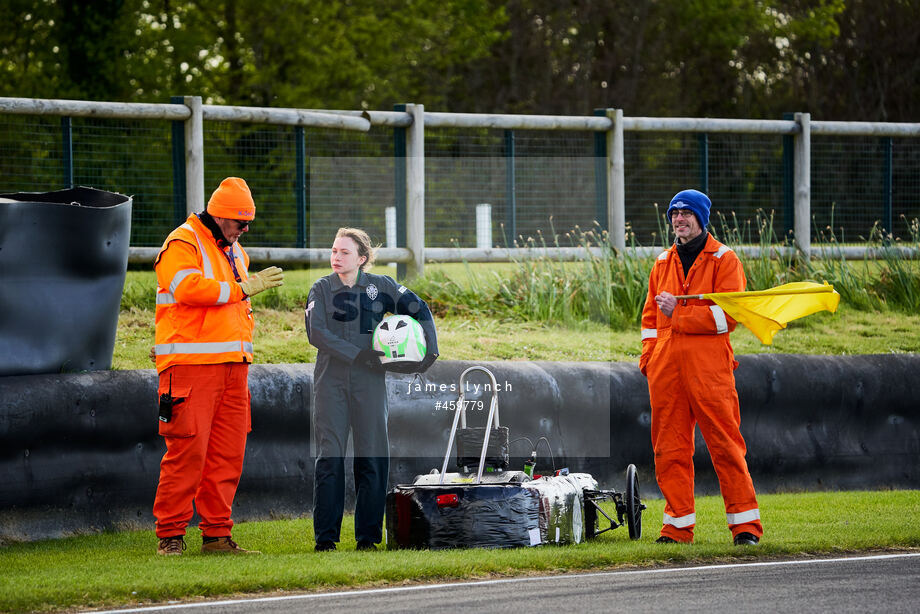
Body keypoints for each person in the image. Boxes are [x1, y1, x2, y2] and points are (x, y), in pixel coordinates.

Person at [152, 177, 284, 556]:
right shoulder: (182, 242)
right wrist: (245, 288)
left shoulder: (235, 250)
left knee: (227, 455)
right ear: (220, 215)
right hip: (192, 367)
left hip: (233, 369)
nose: (245, 230)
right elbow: (189, 289)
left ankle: (217, 537)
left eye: (248, 224)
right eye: (240, 223)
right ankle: (171, 536)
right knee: (187, 453)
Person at [639, 189, 763, 546]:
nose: (679, 218)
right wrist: (649, 358)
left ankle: (745, 528)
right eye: (674, 213)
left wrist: (678, 313)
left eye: (686, 213)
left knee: (726, 446)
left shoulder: (725, 259)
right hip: (666, 372)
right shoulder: (662, 262)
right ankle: (677, 529)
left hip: (710, 371)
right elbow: (650, 319)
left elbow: (730, 316)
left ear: (701, 218)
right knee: (670, 451)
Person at [305, 227, 438, 552]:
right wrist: (358, 354)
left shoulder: (383, 286)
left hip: (370, 382)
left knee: (372, 458)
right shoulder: (320, 288)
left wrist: (427, 355)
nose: (336, 257)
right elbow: (316, 333)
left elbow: (419, 310)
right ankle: (326, 540)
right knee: (330, 458)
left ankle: (368, 539)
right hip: (330, 381)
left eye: (344, 252)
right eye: (334, 251)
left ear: (362, 258)